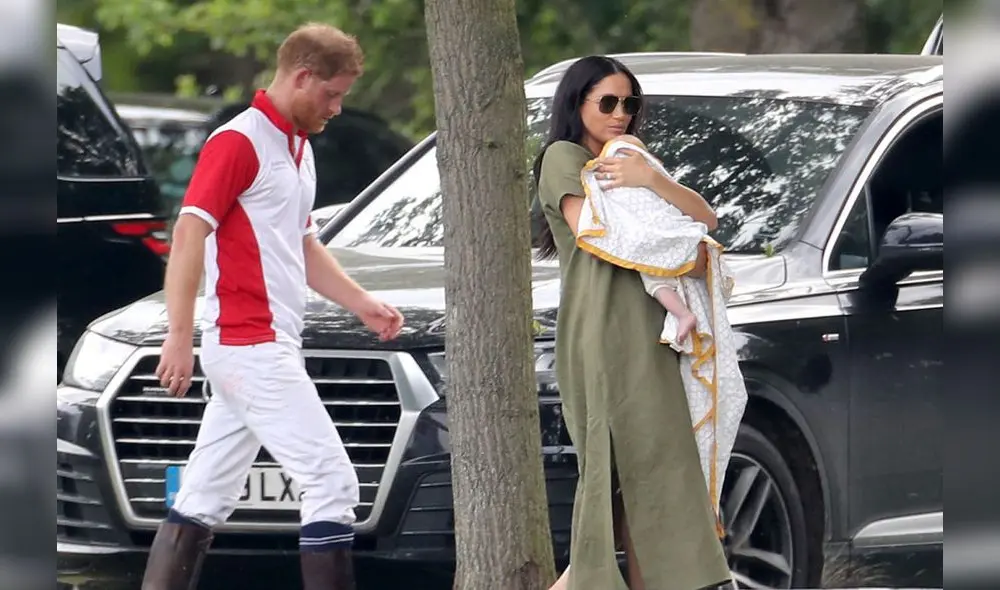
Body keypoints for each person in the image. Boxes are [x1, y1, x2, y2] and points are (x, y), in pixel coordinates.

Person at [140, 23, 404, 590]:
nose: (336, 108)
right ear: (302, 77)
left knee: (204, 496)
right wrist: (178, 335)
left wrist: (361, 302)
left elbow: (302, 243)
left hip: (261, 343)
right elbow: (189, 233)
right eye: (332, 94)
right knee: (332, 481)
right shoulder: (240, 140)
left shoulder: (296, 146)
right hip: (248, 344)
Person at [532, 55, 737, 590]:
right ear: (577, 103)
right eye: (607, 102)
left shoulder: (631, 161)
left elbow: (705, 222)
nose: (620, 113)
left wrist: (651, 178)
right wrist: (686, 252)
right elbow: (600, 234)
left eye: (630, 103)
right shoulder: (564, 157)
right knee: (611, 481)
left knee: (655, 484)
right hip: (600, 336)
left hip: (652, 339)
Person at [577, 133, 703, 351]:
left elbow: (706, 218)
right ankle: (683, 314)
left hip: (658, 232)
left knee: (656, 281)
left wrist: (650, 177)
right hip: (650, 240)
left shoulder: (648, 180)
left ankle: (683, 314)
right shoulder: (607, 174)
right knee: (656, 281)